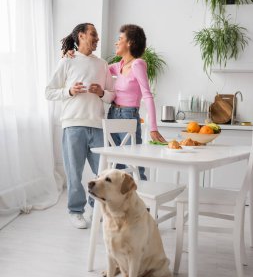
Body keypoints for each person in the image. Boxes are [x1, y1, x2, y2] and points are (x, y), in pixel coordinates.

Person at [45, 23, 115, 229]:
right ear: (81, 36)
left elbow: (112, 96)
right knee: (74, 173)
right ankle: (76, 212)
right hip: (73, 125)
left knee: (102, 173)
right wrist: (69, 91)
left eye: (97, 35)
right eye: (93, 34)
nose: (97, 38)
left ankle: (97, 208)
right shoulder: (67, 62)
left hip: (97, 126)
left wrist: (101, 92)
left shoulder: (102, 64)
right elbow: (48, 92)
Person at [107, 24, 166, 180]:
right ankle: (119, 204)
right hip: (112, 114)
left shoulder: (137, 64)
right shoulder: (119, 65)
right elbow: (97, 68)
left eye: (120, 39)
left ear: (130, 43)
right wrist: (74, 55)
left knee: (134, 165)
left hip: (128, 116)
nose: (116, 42)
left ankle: (143, 203)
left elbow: (147, 95)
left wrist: (153, 127)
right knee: (114, 167)